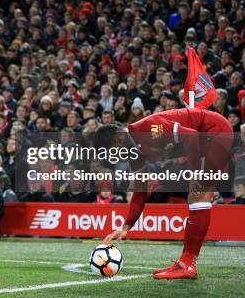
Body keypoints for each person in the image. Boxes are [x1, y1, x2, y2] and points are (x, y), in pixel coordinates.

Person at [96, 108, 234, 279]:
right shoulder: (135, 155)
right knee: (196, 196)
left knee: (198, 195)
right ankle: (185, 263)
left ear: (119, 140)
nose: (116, 160)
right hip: (204, 140)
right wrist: (126, 226)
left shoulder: (150, 129)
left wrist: (194, 172)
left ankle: (187, 265)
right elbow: (140, 191)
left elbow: (190, 136)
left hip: (216, 131)